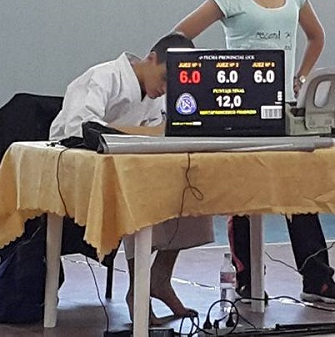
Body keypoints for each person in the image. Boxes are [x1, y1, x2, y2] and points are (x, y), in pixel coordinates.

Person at [172, 0, 335, 303]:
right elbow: (180, 35)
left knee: (298, 191)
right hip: (241, 113)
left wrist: (301, 76)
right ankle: (247, 276)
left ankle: (316, 278)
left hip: (282, 110)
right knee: (244, 192)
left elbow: (316, 36)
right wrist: (209, 81)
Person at [49, 33, 214, 325]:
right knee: (139, 193)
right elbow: (79, 130)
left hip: (127, 168)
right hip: (77, 170)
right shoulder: (103, 78)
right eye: (164, 78)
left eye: (172, 85)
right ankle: (139, 291)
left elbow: (159, 136)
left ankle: (160, 278)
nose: (164, 89)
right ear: (151, 58)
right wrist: (143, 134)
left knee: (189, 184)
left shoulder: (152, 97)